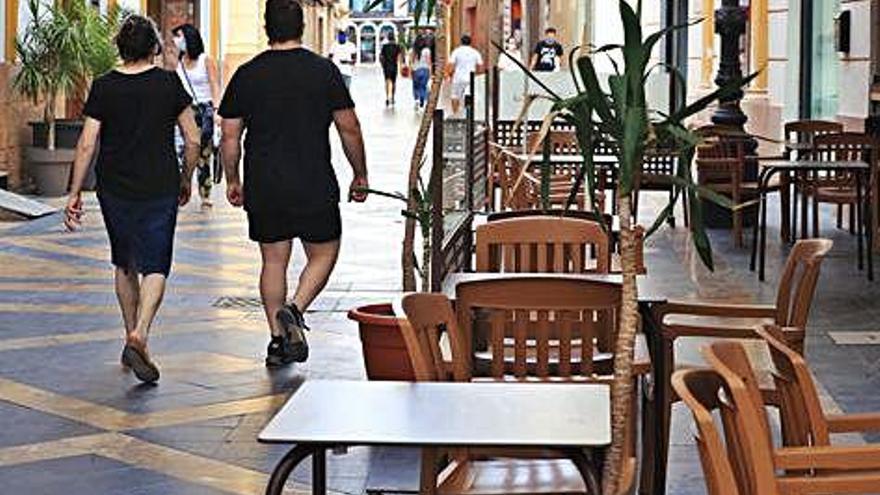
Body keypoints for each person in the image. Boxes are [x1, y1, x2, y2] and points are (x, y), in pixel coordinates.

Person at [219, 0, 369, 367]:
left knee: (273, 261)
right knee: (324, 252)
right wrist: (360, 173)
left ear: (266, 26)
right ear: (302, 26)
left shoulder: (247, 74)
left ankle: (277, 340)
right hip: (312, 179)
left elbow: (229, 135)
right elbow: (348, 127)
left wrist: (233, 179)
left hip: (264, 182)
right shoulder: (323, 71)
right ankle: (296, 308)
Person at [64, 15, 201, 384]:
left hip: (115, 187)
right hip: (159, 185)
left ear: (120, 48)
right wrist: (186, 178)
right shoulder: (168, 84)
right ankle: (140, 334)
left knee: (125, 263)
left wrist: (75, 191)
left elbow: (87, 142)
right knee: (156, 264)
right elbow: (192, 138)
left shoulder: (105, 86)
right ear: (154, 47)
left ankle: (130, 337)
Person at [172, 23, 222, 208]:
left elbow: (214, 84)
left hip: (204, 111)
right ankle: (182, 187)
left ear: (189, 38)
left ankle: (205, 193)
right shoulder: (179, 62)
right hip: (185, 111)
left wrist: (217, 111)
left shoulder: (205, 60)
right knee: (181, 150)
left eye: (179, 36)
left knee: (203, 154)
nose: (176, 41)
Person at [447, 34, 484, 116]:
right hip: (470, 78)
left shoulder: (456, 51)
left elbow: (451, 65)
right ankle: (469, 113)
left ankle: (455, 114)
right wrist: (478, 76)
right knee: (470, 95)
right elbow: (481, 66)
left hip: (458, 78)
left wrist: (449, 75)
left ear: (461, 42)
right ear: (470, 42)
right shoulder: (475, 52)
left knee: (455, 96)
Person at [379, 32, 403, 106]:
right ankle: (392, 97)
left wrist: (382, 65)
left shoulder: (385, 46)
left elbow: (381, 57)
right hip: (394, 66)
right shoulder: (397, 46)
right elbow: (399, 57)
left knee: (387, 81)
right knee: (394, 82)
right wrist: (400, 66)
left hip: (386, 66)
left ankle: (387, 97)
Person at [410, 34, 432, 110]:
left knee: (416, 87)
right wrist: (431, 72)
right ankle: (423, 100)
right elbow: (429, 61)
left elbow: (411, 61)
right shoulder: (427, 51)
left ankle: (416, 100)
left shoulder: (413, 50)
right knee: (423, 86)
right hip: (425, 69)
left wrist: (411, 71)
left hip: (416, 70)